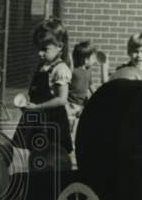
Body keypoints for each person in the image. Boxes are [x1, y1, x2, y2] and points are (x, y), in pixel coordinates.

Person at [17, 18, 74, 170]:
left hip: (50, 118)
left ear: (60, 47)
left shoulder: (60, 69)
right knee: (34, 151)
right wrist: (27, 103)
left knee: (50, 153)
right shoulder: (42, 66)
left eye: (45, 49)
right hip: (36, 114)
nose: (40, 53)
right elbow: (36, 91)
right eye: (38, 48)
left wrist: (38, 107)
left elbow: (61, 99)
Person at [67, 40, 99, 145]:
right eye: (93, 57)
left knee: (84, 124)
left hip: (82, 104)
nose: (95, 60)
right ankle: (67, 142)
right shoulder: (74, 71)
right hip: (71, 104)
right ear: (86, 59)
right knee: (69, 124)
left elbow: (90, 85)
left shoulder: (89, 71)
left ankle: (79, 141)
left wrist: (97, 94)